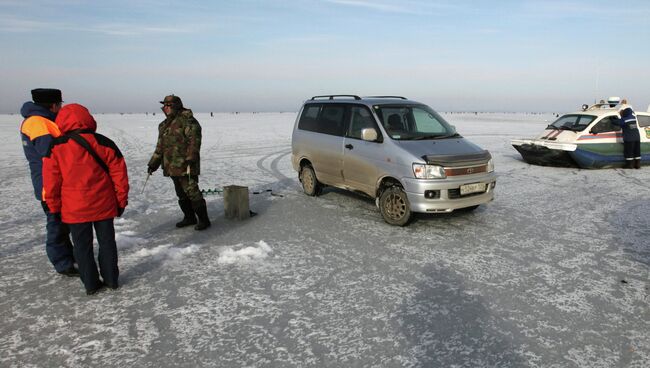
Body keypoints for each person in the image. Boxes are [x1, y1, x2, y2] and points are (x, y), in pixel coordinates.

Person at [43, 104, 129, 295]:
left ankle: (90, 284)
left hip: (75, 208)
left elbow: (51, 182)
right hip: (103, 205)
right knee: (107, 243)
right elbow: (119, 175)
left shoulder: (56, 147)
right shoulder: (105, 143)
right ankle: (111, 280)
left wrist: (54, 207)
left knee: (82, 247)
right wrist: (121, 201)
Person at [19, 88, 78, 276]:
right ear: (53, 105)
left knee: (62, 223)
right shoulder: (39, 124)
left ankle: (69, 256)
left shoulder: (42, 121)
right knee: (56, 225)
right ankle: (63, 263)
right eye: (59, 104)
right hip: (50, 185)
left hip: (52, 182)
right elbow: (51, 153)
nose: (61, 108)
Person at [147, 95, 210, 230]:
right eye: (164, 105)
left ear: (175, 106)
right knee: (180, 193)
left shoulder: (188, 121)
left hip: (186, 165)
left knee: (192, 191)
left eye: (168, 105)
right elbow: (160, 147)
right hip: (171, 166)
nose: (165, 108)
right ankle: (189, 217)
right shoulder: (164, 125)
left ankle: (204, 220)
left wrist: (191, 158)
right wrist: (153, 163)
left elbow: (194, 141)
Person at [615, 101, 641, 169]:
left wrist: (612, 119)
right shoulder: (633, 117)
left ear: (624, 113)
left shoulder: (624, 120)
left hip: (629, 138)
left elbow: (617, 122)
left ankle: (629, 165)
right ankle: (637, 165)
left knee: (628, 152)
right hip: (637, 137)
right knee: (637, 151)